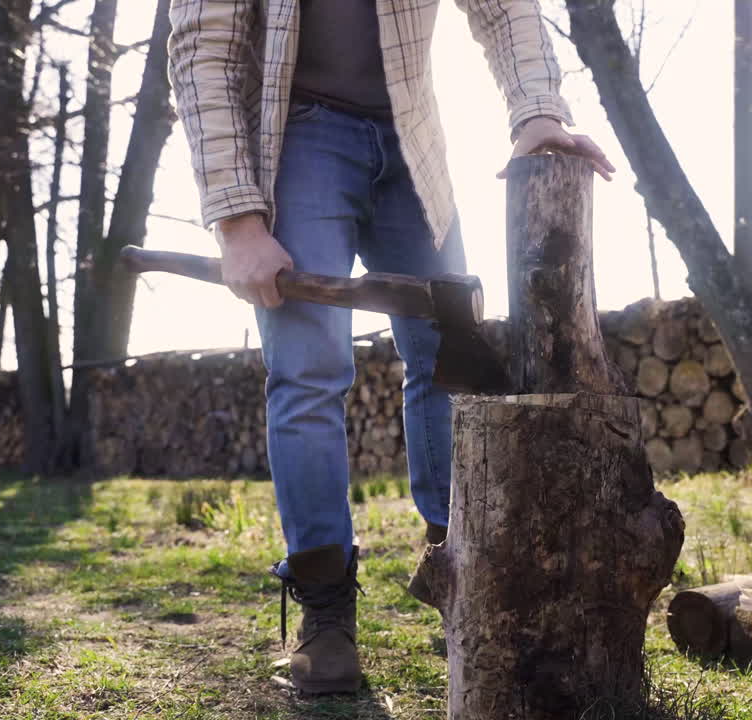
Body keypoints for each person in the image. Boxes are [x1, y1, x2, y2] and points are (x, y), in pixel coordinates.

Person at [166, 0, 615, 696]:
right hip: (299, 136)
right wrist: (239, 220)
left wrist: (538, 115)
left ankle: (466, 583)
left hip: (414, 143)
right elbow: (205, 50)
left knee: (452, 361)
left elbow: (504, 9)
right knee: (309, 370)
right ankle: (327, 622)